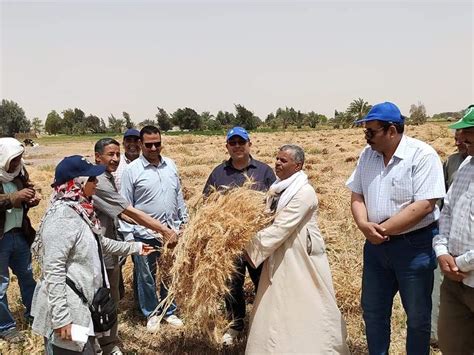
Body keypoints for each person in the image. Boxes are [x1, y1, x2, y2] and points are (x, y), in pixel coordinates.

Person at [346, 102, 445, 355]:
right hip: (376, 248)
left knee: (418, 316)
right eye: (365, 132)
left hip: (415, 246)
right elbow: (357, 194)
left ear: (391, 131)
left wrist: (380, 230)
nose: (366, 138)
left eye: (371, 132)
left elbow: (424, 205)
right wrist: (363, 225)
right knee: (373, 310)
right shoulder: (367, 155)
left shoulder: (422, 155)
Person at [31, 155, 153, 354]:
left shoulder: (80, 211)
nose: (96, 183)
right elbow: (53, 271)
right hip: (67, 314)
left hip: (81, 309)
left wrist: (136, 248)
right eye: (92, 179)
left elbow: (99, 243)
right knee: (71, 349)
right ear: (77, 183)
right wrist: (62, 319)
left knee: (86, 347)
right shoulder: (62, 217)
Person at [245, 144, 349, 354]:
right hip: (280, 252)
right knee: (277, 301)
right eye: (277, 158)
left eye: (283, 160)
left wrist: (251, 248)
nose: (277, 163)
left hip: (300, 254)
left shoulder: (304, 192)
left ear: (298, 165)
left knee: (305, 298)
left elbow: (282, 226)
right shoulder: (277, 188)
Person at [93, 138, 178, 354]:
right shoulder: (99, 181)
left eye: (116, 155)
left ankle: (108, 341)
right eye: (109, 155)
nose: (115, 159)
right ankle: (104, 342)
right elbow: (129, 210)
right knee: (108, 293)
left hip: (112, 243)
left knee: (111, 294)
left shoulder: (107, 177)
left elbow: (122, 212)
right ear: (97, 157)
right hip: (100, 246)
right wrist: (162, 230)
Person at [203, 126, 275, 345]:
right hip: (229, 242)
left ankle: (264, 322)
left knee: (262, 282)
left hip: (258, 240)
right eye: (232, 143)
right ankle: (236, 323)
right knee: (232, 285)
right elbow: (207, 203)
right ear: (227, 147)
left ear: (249, 144)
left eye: (240, 142)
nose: (237, 146)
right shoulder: (218, 173)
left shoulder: (264, 171)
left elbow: (275, 203)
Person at [120, 125, 188, 332]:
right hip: (144, 235)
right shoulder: (131, 171)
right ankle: (151, 312)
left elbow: (178, 196)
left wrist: (184, 222)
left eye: (157, 143)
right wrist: (130, 238)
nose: (153, 148)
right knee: (146, 276)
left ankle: (170, 309)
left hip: (172, 232)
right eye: (148, 144)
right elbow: (125, 207)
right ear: (140, 144)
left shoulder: (171, 165)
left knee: (169, 272)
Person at [433, 106, 474, 354]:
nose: (462, 142)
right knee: (452, 345)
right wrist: (441, 250)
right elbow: (447, 210)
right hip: (454, 282)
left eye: (468, 136)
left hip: (463, 269)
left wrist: (461, 262)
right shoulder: (466, 166)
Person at [0, 137, 39, 343]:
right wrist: (15, 197)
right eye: (13, 159)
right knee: (1, 285)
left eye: (19, 158)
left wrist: (31, 199)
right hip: (1, 238)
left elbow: (24, 195)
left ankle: (34, 315)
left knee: (27, 277)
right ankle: (6, 327)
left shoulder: (19, 174)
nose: (16, 163)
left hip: (19, 234)